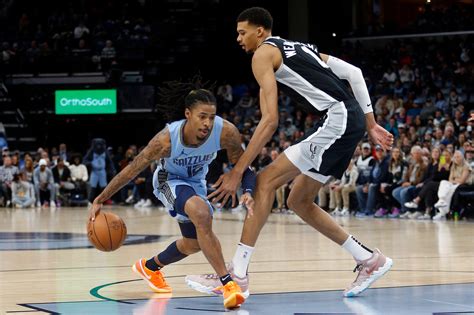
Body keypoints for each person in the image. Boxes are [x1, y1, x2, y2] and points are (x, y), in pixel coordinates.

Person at [186, 7, 394, 298]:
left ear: (260, 32)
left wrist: (236, 172)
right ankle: (369, 259)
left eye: (242, 32)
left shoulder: (262, 55)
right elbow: (354, 73)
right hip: (347, 119)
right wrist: (370, 124)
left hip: (338, 119)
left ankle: (238, 275)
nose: (238, 38)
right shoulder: (300, 47)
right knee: (298, 200)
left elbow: (270, 121)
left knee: (264, 182)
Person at [88, 82, 256, 309]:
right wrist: (100, 198)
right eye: (202, 116)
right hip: (169, 181)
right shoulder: (166, 140)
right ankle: (228, 284)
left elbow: (244, 165)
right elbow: (132, 169)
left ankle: (149, 267)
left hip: (196, 183)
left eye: (212, 117)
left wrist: (247, 191)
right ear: (188, 114)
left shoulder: (226, 132)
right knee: (201, 213)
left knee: (193, 243)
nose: (207, 123)